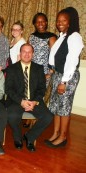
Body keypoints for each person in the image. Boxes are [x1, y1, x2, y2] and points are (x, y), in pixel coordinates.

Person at [46, 7, 84, 148]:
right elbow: (55, 56)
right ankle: (55, 133)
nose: (60, 23)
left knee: (64, 108)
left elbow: (71, 60)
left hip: (67, 77)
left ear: (69, 22)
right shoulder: (62, 36)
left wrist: (64, 81)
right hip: (58, 74)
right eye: (58, 20)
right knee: (56, 107)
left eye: (63, 20)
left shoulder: (74, 37)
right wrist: (51, 72)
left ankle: (62, 137)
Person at [5, 43, 53, 152]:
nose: (26, 54)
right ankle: (17, 138)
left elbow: (42, 88)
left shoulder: (38, 68)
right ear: (20, 53)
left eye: (29, 52)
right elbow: (8, 89)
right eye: (24, 52)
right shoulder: (12, 68)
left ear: (33, 54)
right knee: (12, 115)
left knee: (48, 116)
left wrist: (35, 101)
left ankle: (29, 136)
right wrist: (21, 101)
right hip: (16, 100)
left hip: (34, 100)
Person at [25, 13, 57, 128]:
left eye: (43, 21)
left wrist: (49, 74)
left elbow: (55, 58)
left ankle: (34, 122)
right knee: (30, 95)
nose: (40, 24)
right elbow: (27, 54)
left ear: (47, 22)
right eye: (37, 22)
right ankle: (29, 118)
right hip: (31, 71)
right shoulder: (32, 36)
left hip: (44, 74)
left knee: (39, 97)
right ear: (34, 23)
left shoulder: (52, 37)